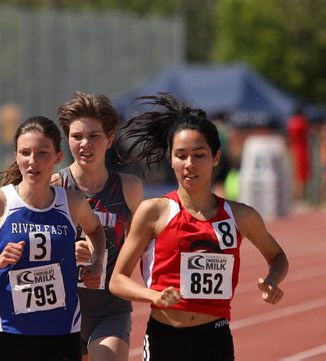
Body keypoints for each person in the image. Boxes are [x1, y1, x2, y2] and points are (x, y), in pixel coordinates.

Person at [109, 93, 289, 361]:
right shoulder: (154, 212)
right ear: (171, 159)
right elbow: (117, 281)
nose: (190, 164)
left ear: (216, 158)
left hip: (214, 338)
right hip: (165, 338)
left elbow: (278, 257)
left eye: (199, 155)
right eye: (181, 155)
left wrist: (272, 281)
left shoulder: (240, 216)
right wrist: (153, 295)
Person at [0, 116, 106, 361]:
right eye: (25, 153)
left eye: (42, 153)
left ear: (57, 157)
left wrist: (96, 262)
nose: (32, 161)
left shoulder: (73, 202)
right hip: (7, 332)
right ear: (16, 155)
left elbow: (96, 230)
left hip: (62, 332)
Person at [53, 91, 143, 361]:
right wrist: (67, 249)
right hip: (59, 310)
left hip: (109, 309)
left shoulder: (129, 188)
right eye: (77, 136)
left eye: (94, 136)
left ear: (110, 139)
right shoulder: (55, 187)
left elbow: (145, 244)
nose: (85, 144)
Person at [287, 106, 310, 203]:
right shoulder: (302, 122)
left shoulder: (291, 122)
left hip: (293, 150)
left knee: (295, 175)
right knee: (301, 176)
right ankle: (301, 198)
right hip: (301, 150)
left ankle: (296, 198)